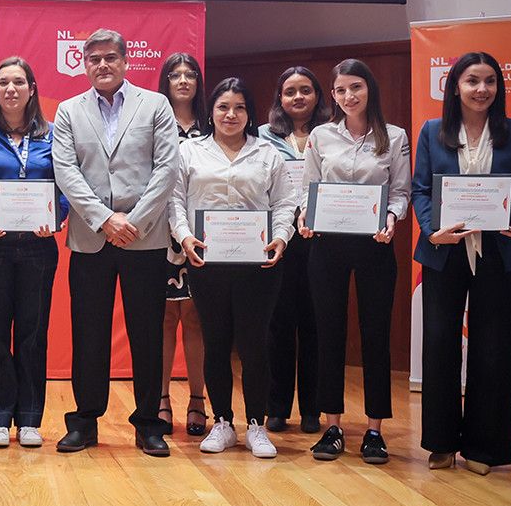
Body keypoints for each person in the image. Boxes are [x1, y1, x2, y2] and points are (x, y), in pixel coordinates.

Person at [413, 52, 511, 475]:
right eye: (472, 80)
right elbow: (420, 190)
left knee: (494, 349)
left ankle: (484, 449)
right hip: (444, 251)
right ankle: (441, 443)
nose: (482, 89)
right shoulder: (432, 131)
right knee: (440, 346)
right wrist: (431, 230)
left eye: (490, 81)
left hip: (499, 252)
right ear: (455, 86)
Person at [52, 29, 179, 457]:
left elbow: (167, 168)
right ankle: (84, 422)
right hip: (91, 237)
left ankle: (148, 424)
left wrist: (133, 222)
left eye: (110, 57)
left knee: (147, 334)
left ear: (125, 61)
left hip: (144, 238)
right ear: (84, 64)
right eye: (94, 59)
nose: (102, 65)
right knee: (88, 333)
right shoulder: (69, 110)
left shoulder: (155, 105)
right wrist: (105, 220)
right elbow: (66, 170)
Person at [171, 78, 296, 458]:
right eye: (223, 107)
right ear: (210, 112)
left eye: (239, 107)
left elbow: (285, 202)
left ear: (249, 113)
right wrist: (184, 236)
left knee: (255, 344)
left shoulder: (267, 154)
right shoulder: (189, 151)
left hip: (259, 264)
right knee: (216, 342)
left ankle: (256, 425)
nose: (231, 114)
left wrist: (281, 236)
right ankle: (223, 423)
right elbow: (174, 200)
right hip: (206, 261)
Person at [299, 59, 411, 465]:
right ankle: (332, 427)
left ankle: (375, 430)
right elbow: (308, 188)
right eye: (341, 89)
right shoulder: (320, 136)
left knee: (375, 335)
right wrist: (304, 215)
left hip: (374, 245)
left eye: (356, 87)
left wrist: (392, 218)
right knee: (328, 333)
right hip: (327, 246)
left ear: (370, 90)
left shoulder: (394, 137)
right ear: (333, 95)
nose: (349, 96)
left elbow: (400, 192)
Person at [0, 57, 67, 449]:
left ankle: (29, 418)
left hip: (38, 247)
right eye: (3, 83)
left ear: (32, 89)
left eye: (18, 82)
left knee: (32, 333)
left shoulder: (53, 135)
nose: (11, 89)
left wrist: (56, 217)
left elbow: (66, 185)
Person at [259, 67, 332, 434]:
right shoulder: (261, 136)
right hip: (278, 238)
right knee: (279, 324)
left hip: (321, 238)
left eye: (306, 90)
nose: (298, 97)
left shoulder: (333, 134)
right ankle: (277, 407)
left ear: (318, 95)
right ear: (280, 98)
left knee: (315, 323)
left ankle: (313, 409)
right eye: (290, 91)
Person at [158, 53, 208, 437]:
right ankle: (161, 399)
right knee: (162, 319)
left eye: (190, 74)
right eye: (175, 75)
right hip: (159, 231)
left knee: (195, 318)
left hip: (203, 232)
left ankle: (197, 400)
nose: (183, 80)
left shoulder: (213, 123)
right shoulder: (154, 122)